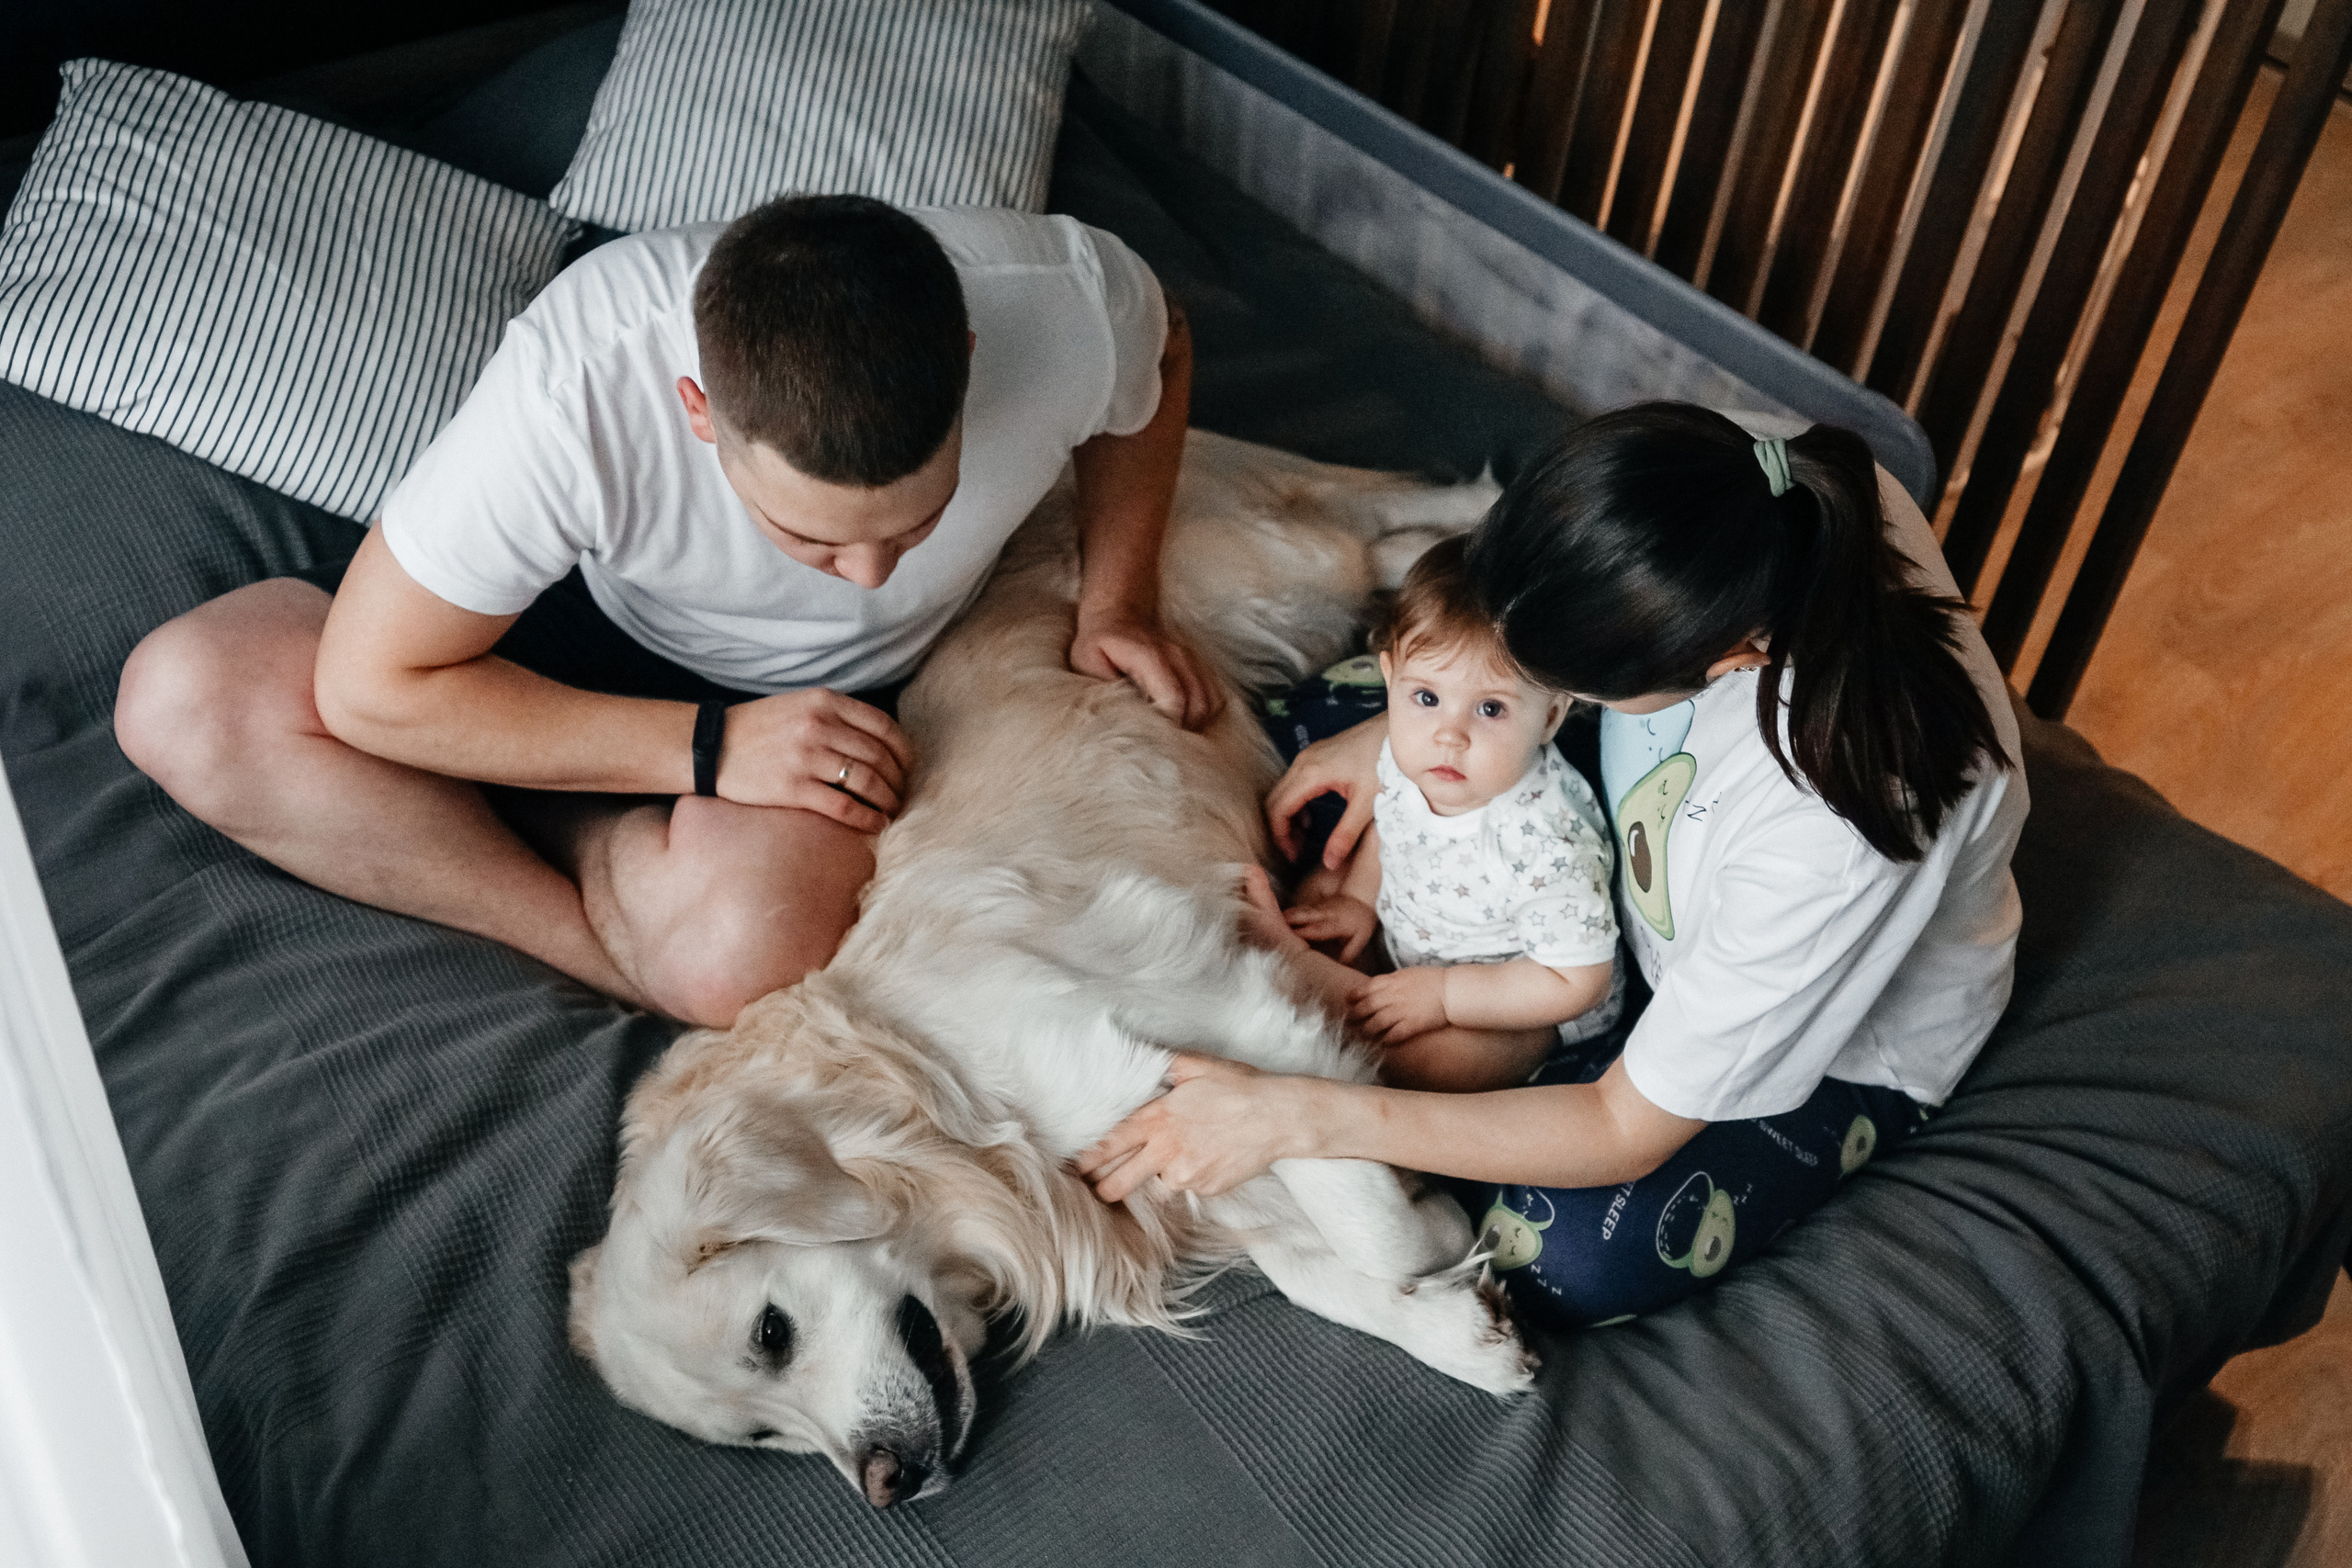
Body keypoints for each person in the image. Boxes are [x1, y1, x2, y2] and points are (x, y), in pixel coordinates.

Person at [114, 195, 1217, 1027]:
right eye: (815, 538)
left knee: (743, 953)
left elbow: (1159, 350)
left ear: (968, 361)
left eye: (916, 523)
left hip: (808, 700)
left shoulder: (1065, 298)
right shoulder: (575, 384)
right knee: (183, 701)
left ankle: (543, 821)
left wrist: (1119, 598)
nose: (872, 575)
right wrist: (708, 748)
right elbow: (368, 688)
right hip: (552, 645)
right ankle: (601, 944)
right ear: (699, 413)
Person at [1079, 402, 2029, 1327]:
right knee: (1326, 734)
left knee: (1565, 1258)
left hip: (1832, 1041)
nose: (1536, 693)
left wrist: (1301, 1117)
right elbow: (1491, 636)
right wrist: (1397, 738)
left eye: (1555, 686)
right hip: (1639, 845)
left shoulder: (1841, 824)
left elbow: (1623, 1127)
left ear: (1731, 658)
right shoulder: (1746, 479)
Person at [1246, 534, 1619, 1093]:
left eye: (1490, 708)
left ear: (1549, 718)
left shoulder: (1546, 843)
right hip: (1414, 931)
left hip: (1515, 996)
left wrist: (1446, 996)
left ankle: (1297, 974)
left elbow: (1576, 981)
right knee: (1321, 892)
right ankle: (1321, 970)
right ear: (1390, 677)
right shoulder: (1411, 753)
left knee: (1433, 1064)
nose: (1450, 734)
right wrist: (1356, 900)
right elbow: (1395, 827)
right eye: (1426, 697)